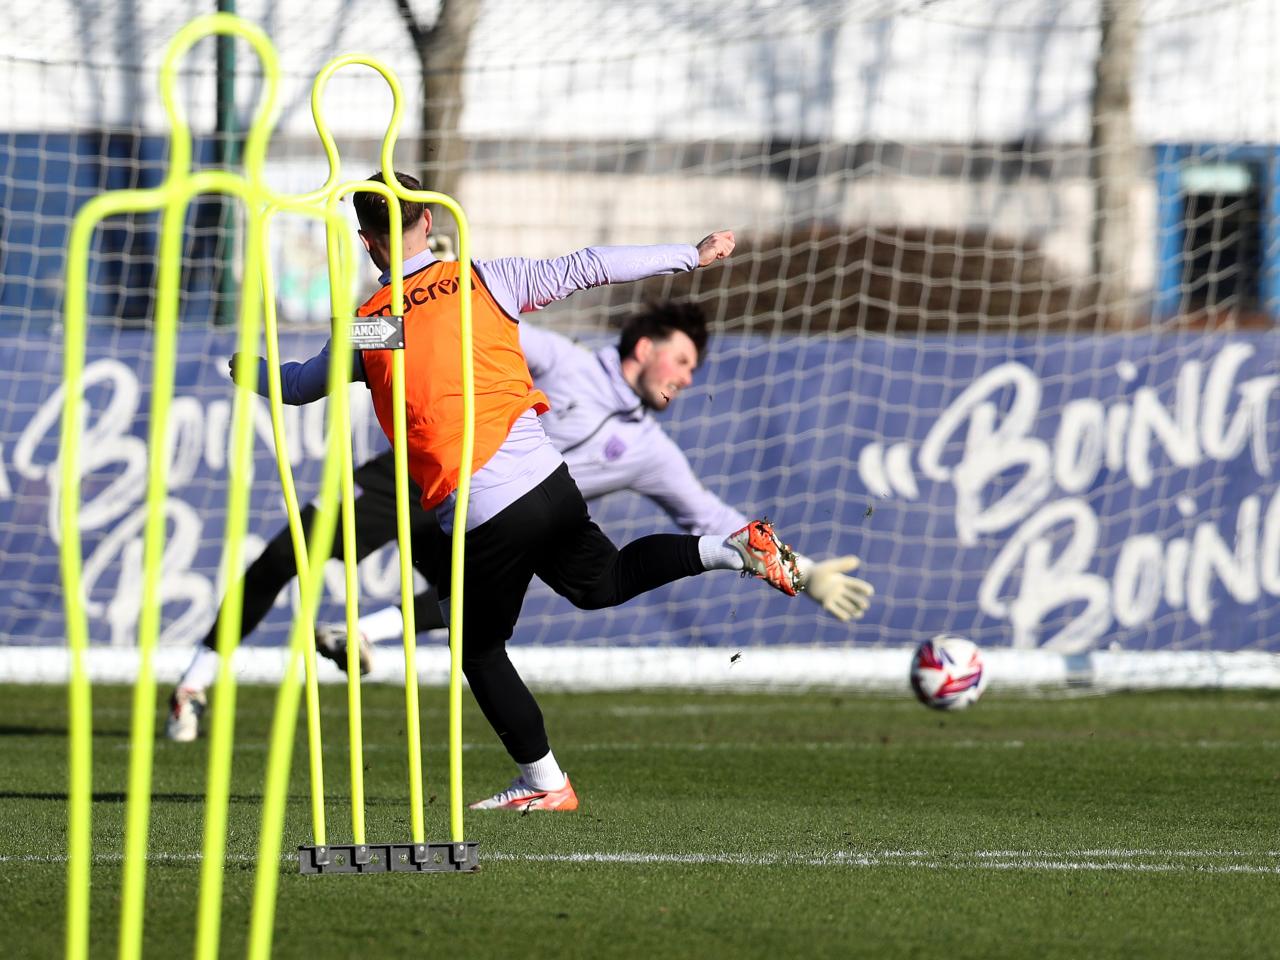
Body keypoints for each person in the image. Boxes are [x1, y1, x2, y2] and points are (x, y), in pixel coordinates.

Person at [170, 170, 873, 812]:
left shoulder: (376, 321)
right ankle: (728, 551)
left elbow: (296, 388)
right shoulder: (483, 278)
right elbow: (590, 266)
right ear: (429, 225)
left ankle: (545, 782)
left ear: (367, 242)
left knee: (477, 648)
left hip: (482, 504)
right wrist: (690, 253)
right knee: (599, 583)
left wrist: (248, 367)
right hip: (551, 482)